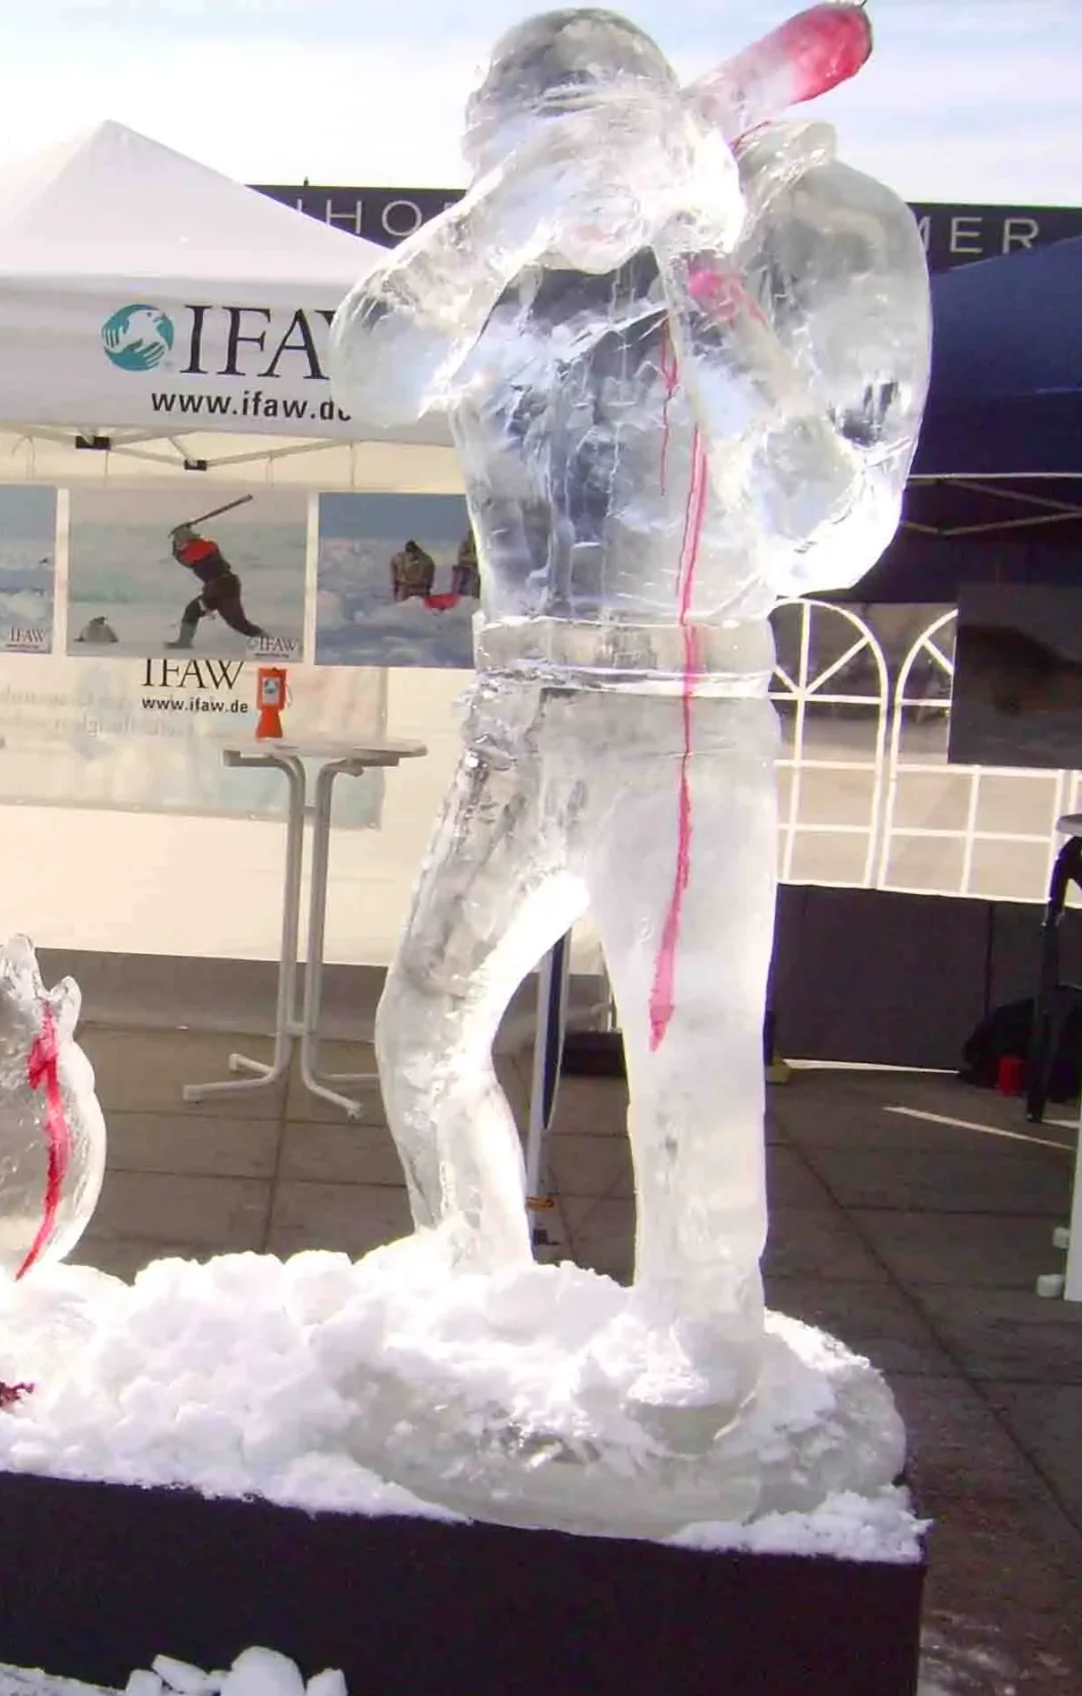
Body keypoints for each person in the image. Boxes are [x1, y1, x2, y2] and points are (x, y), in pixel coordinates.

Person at [329, 11, 927, 1387]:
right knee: (423, 1031)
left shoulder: (815, 226)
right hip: (518, 706)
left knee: (689, 1054)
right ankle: (474, 1286)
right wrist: (517, 209)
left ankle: (703, 1355)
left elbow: (831, 534)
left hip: (681, 706)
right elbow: (371, 370)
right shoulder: (505, 258)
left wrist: (698, 265)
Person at [167, 522, 273, 650]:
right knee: (192, 610)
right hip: (214, 591)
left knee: (238, 622)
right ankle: (184, 642)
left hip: (225, 588)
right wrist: (179, 537)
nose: (180, 544)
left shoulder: (205, 547)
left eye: (181, 541)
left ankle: (270, 642)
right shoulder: (195, 551)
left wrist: (182, 536)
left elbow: (185, 555)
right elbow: (180, 557)